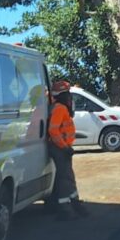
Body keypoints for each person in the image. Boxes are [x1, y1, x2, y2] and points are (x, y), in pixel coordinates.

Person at [48, 81, 86, 220]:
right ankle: (65, 209)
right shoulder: (59, 108)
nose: (70, 98)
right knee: (65, 178)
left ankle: (74, 203)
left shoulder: (60, 107)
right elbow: (53, 130)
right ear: (62, 95)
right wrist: (64, 147)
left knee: (68, 177)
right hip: (60, 148)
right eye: (67, 94)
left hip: (63, 148)